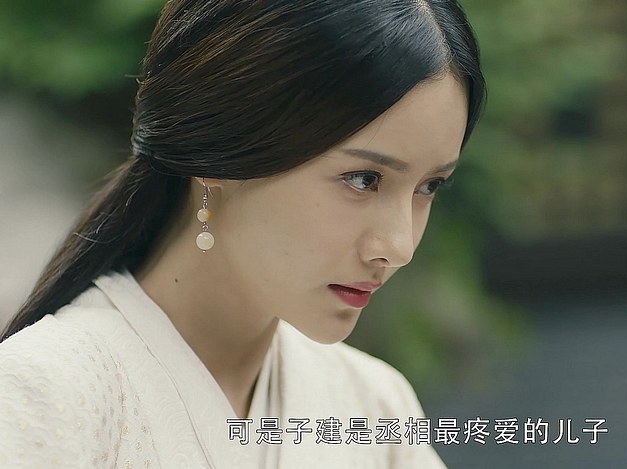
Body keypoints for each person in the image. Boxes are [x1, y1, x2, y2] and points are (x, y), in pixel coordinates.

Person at [0, 0, 486, 467]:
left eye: (430, 186)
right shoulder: (46, 395)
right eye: (363, 179)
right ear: (220, 152)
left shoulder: (373, 406)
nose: (399, 247)